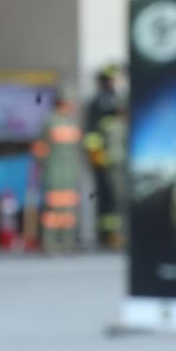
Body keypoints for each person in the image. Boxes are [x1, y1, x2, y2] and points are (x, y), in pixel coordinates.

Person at [33, 94, 83, 254]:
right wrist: (41, 167)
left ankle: (68, 242)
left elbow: (77, 149)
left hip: (70, 172)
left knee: (69, 210)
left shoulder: (74, 122)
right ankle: (50, 243)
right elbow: (40, 147)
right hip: (54, 172)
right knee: (53, 210)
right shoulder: (50, 121)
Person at [83, 65, 126, 248]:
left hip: (119, 160)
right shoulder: (97, 103)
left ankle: (118, 233)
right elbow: (92, 135)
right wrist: (97, 156)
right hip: (105, 160)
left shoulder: (119, 100)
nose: (113, 83)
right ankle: (107, 235)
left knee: (119, 198)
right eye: (110, 80)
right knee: (107, 198)